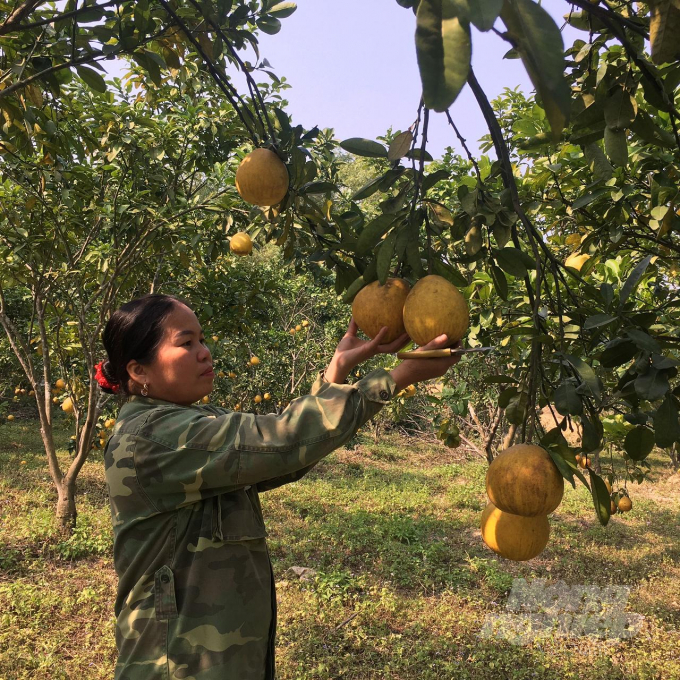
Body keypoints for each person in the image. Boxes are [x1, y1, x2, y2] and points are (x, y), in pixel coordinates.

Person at [98, 293, 460, 680]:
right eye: (186, 343)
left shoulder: (194, 420)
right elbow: (285, 439)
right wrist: (397, 377)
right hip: (174, 664)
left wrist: (335, 371)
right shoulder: (153, 438)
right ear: (138, 371)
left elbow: (282, 455)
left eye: (202, 340)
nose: (204, 352)